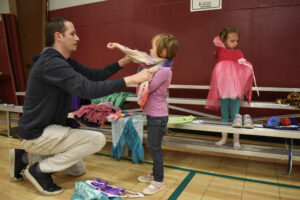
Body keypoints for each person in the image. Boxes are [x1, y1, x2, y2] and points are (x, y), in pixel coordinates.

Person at [9, 16, 153, 196]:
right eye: (73, 33)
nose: (77, 38)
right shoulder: (52, 63)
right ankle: (39, 170)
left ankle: (24, 157)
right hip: (38, 133)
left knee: (77, 170)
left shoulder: (62, 61)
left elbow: (94, 75)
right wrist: (132, 79)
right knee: (97, 140)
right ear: (58, 36)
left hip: (48, 129)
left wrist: (124, 61)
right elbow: (88, 89)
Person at [107, 33, 179, 195]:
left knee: (154, 148)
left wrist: (141, 73)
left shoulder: (164, 70)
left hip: (158, 117)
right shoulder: (155, 66)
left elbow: (149, 87)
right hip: (154, 115)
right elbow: (136, 54)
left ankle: (159, 181)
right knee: (153, 147)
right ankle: (154, 174)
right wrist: (119, 46)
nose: (149, 49)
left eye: (153, 47)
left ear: (163, 52)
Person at [205, 26, 258, 149]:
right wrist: (223, 36)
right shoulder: (220, 50)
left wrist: (247, 65)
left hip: (235, 88)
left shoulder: (239, 53)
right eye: (232, 40)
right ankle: (223, 138)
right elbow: (217, 40)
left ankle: (236, 140)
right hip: (223, 88)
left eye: (237, 41)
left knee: (235, 115)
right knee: (224, 115)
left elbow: (242, 69)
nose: (235, 43)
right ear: (224, 40)